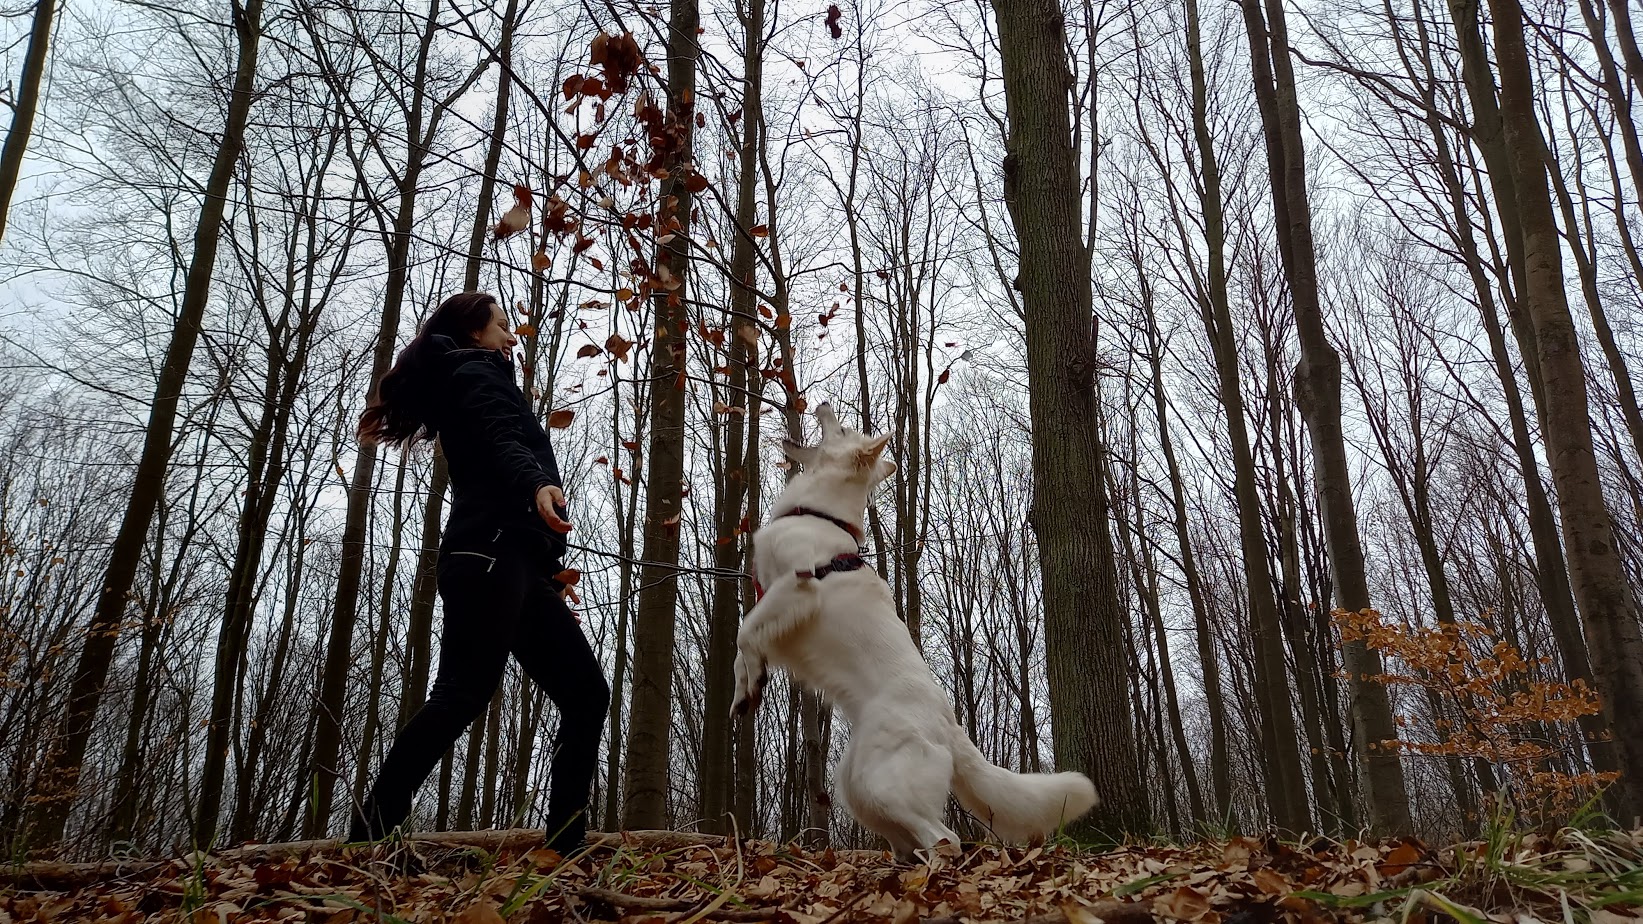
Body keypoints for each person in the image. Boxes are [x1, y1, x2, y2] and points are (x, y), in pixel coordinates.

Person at [350, 290, 610, 855]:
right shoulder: (475, 374)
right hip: (488, 555)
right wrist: (535, 483)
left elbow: (500, 436)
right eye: (500, 325)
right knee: (462, 693)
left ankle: (566, 846)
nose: (511, 335)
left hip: (513, 560)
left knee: (587, 693)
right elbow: (502, 438)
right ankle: (370, 836)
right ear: (474, 333)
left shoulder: (474, 373)